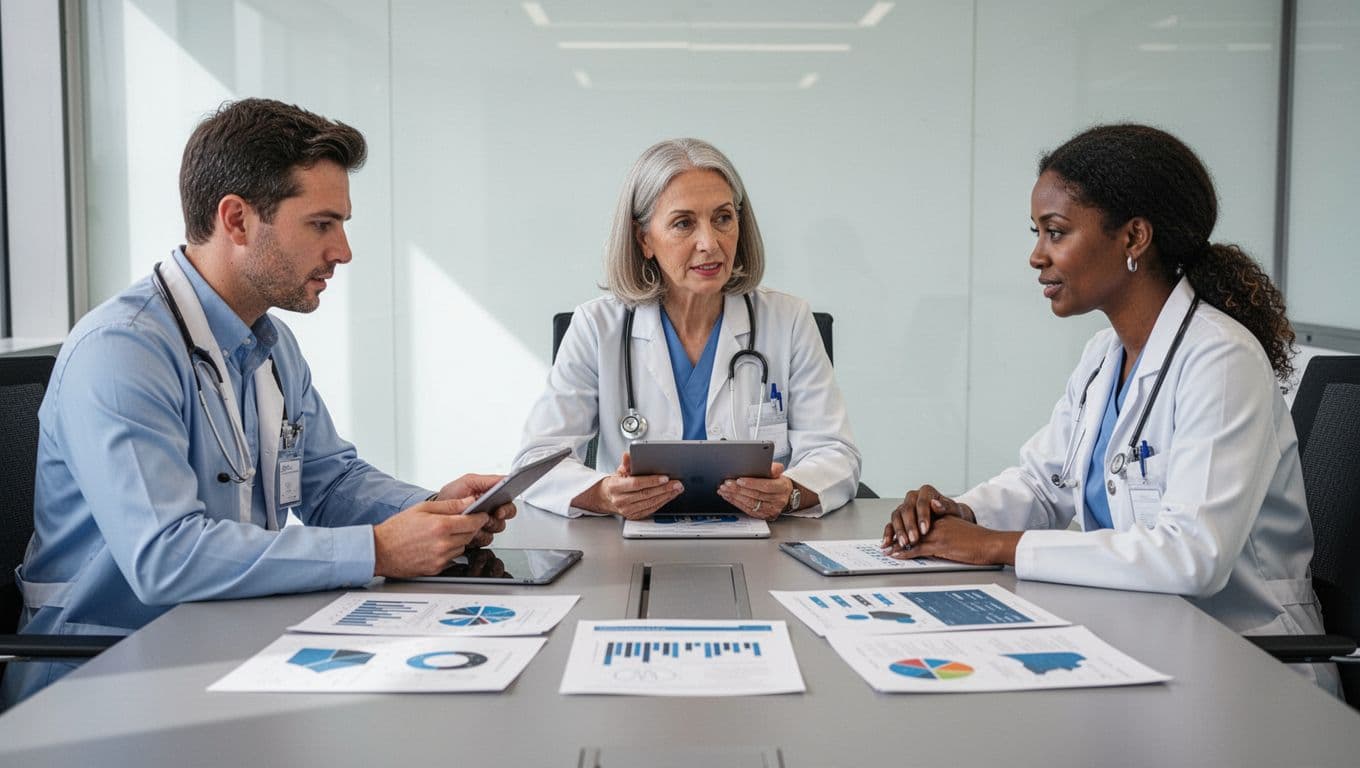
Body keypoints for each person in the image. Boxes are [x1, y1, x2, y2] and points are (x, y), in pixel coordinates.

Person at [1, 98, 515, 705]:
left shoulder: (269, 345)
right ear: (237, 220)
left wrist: (434, 510)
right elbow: (166, 557)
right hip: (104, 681)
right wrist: (376, 548)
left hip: (226, 650)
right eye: (322, 224)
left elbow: (329, 483)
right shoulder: (123, 351)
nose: (343, 251)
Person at [882, 123, 1335, 691]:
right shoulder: (1105, 356)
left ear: (1133, 238)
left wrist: (997, 547)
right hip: (1143, 640)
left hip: (1247, 665)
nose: (1036, 256)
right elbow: (1044, 485)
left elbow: (1194, 556)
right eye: (1038, 233)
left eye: (1056, 232)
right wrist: (960, 516)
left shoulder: (1221, 360)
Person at [513, 138, 861, 520]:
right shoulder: (597, 327)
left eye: (723, 218)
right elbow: (536, 461)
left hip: (765, 545)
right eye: (683, 223)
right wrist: (604, 494)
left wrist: (790, 493)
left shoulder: (789, 320)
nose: (709, 243)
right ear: (644, 238)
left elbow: (836, 455)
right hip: (629, 550)